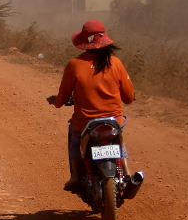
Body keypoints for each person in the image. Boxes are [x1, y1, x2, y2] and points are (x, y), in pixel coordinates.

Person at [47, 19, 134, 192]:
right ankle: (127, 173)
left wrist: (55, 101)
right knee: (118, 142)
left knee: (74, 140)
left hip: (84, 123)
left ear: (85, 42)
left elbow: (62, 98)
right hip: (113, 121)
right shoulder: (115, 63)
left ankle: (76, 177)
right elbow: (129, 98)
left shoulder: (75, 64)